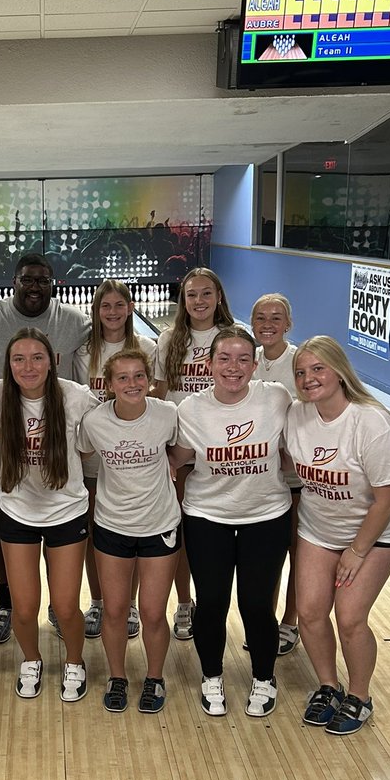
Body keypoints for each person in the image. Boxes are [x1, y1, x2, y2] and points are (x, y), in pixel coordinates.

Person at [0, 253, 89, 643]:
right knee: (1, 542)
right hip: (5, 465)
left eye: (43, 280)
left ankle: (59, 608)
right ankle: (7, 605)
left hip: (60, 475)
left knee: (61, 573)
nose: (35, 287)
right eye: (27, 280)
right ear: (14, 281)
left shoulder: (75, 322)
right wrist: (17, 443)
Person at [287, 336, 390, 736]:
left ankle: (359, 696)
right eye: (301, 372)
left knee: (351, 617)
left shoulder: (371, 422)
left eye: (318, 369)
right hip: (319, 529)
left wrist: (356, 551)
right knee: (310, 612)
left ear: (339, 372)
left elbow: (388, 499)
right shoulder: (297, 416)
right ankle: (328, 686)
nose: (308, 378)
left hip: (373, 533)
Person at [171, 327, 293, 718]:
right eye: (224, 358)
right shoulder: (191, 409)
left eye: (243, 359)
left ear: (255, 366)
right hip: (207, 515)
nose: (233, 367)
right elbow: (178, 458)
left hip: (266, 515)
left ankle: (264, 677)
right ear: (209, 364)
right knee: (212, 602)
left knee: (256, 603)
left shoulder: (276, 397)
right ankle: (211, 675)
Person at [0, 327, 94, 701]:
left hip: (67, 510)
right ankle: (31, 659)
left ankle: (75, 661)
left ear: (52, 361)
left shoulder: (75, 396)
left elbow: (91, 443)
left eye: (37, 358)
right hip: (17, 511)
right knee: (24, 607)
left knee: (65, 606)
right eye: (19, 359)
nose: (28, 366)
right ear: (8, 364)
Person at [78, 348, 180, 713]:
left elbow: (179, 451)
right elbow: (83, 454)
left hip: (160, 524)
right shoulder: (94, 421)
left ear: (149, 380)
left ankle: (154, 678)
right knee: (115, 609)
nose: (132, 383)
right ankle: (117, 677)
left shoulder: (167, 414)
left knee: (152, 612)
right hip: (112, 524)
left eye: (139, 376)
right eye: (122, 377)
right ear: (109, 384)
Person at [154, 267, 236, 644]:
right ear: (182, 300)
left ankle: (210, 604)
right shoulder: (170, 339)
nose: (199, 301)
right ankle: (185, 603)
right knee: (181, 532)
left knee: (211, 537)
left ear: (218, 297)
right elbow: (161, 392)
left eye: (206, 293)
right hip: (179, 448)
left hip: (222, 451)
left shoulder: (232, 337)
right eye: (191, 294)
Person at [73, 279, 156, 642]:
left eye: (119, 305)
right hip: (93, 456)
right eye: (105, 305)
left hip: (134, 459)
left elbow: (155, 399)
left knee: (132, 532)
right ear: (95, 310)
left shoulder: (147, 347)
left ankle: (130, 603)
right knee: (96, 532)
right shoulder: (82, 352)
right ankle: (97, 601)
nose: (112, 312)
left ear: (131, 307)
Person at [250, 293, 301, 655]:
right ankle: (264, 623)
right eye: (261, 318)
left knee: (298, 554)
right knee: (267, 560)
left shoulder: (300, 361)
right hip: (261, 476)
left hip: (297, 478)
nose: (268, 324)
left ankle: (289, 621)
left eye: (276, 318)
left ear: (288, 324)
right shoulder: (247, 360)